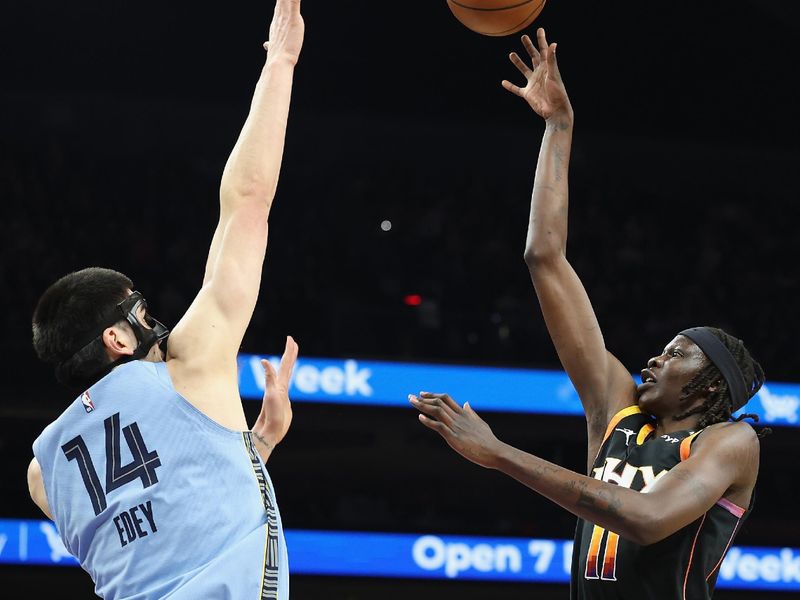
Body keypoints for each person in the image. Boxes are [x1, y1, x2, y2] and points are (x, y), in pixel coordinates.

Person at [410, 28, 766, 599]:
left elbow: (647, 519)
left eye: (677, 354)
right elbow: (544, 257)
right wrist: (558, 128)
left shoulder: (730, 443)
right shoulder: (616, 410)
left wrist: (499, 454)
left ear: (707, 387)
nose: (654, 357)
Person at [26, 1, 304, 598]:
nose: (159, 325)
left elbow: (158, 529)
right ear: (116, 338)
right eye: (142, 315)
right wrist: (280, 63)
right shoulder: (190, 367)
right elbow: (248, 204)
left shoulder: (42, 473)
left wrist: (257, 445)